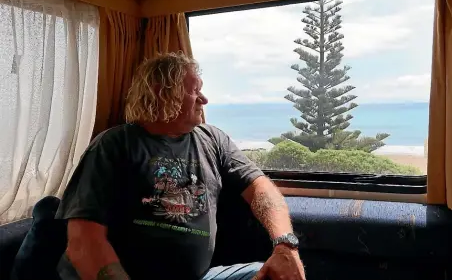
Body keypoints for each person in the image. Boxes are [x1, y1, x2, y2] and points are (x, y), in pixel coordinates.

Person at [55, 52, 306, 280]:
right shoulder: (113, 145)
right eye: (194, 90)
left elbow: (260, 188)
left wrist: (285, 244)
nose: (204, 99)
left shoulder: (213, 140)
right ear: (163, 93)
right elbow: (83, 242)